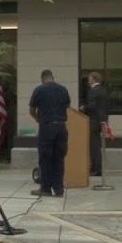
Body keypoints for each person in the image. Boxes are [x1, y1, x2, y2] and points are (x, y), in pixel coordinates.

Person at [29, 69, 70, 197]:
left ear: (42, 79)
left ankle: (45, 188)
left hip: (47, 127)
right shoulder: (63, 89)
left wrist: (38, 118)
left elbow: (32, 109)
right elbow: (67, 105)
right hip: (61, 127)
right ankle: (59, 189)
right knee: (59, 158)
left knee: (45, 158)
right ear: (53, 77)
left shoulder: (39, 90)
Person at [82, 71, 110, 177]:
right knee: (97, 144)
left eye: (89, 78)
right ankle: (97, 167)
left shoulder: (93, 91)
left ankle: (96, 169)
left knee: (93, 146)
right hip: (102, 121)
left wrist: (84, 108)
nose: (88, 80)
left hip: (93, 121)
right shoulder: (104, 90)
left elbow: (92, 106)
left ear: (94, 79)